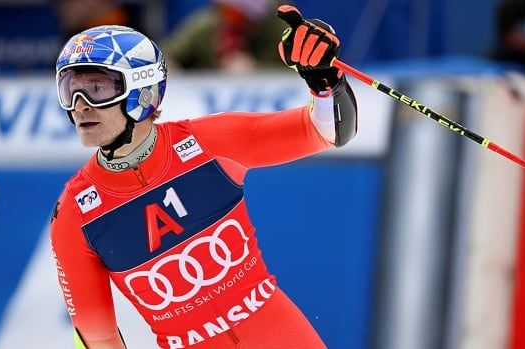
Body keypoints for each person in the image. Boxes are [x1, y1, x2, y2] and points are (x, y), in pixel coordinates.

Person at [50, 4, 358, 349]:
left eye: (96, 87)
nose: (80, 104)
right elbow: (97, 337)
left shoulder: (209, 142)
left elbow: (325, 131)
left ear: (143, 91)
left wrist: (324, 82)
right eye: (70, 88)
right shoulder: (75, 213)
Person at [161, 0, 287, 72]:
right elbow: (165, 57)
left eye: (238, 15)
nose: (231, 20)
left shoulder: (280, 32)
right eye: (226, 11)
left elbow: (300, 74)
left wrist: (255, 69)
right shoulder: (205, 27)